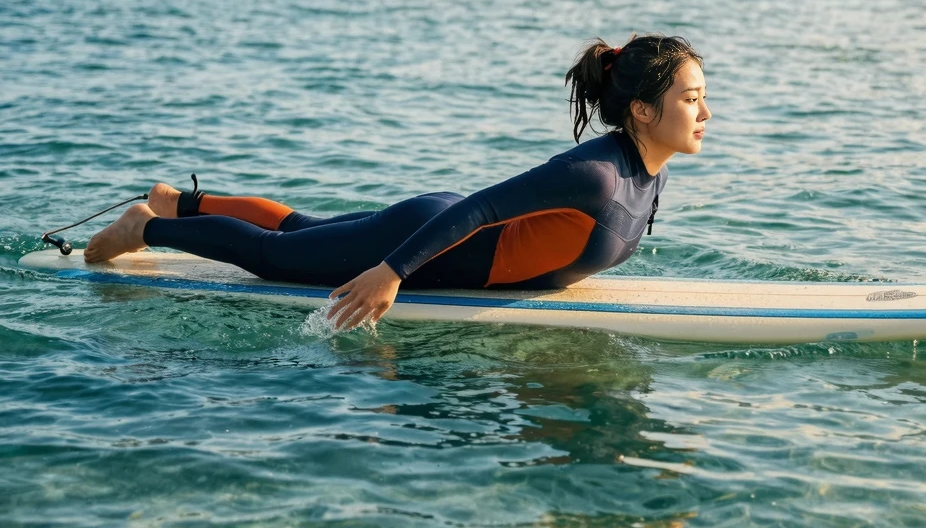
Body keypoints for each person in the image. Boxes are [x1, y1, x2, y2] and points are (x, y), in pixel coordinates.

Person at [83, 35, 711, 330]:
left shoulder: (649, 171)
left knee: (305, 229)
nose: (705, 113)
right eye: (691, 98)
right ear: (642, 110)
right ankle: (148, 225)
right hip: (432, 241)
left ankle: (182, 200)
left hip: (433, 233)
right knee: (275, 258)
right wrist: (391, 272)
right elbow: (486, 206)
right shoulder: (597, 175)